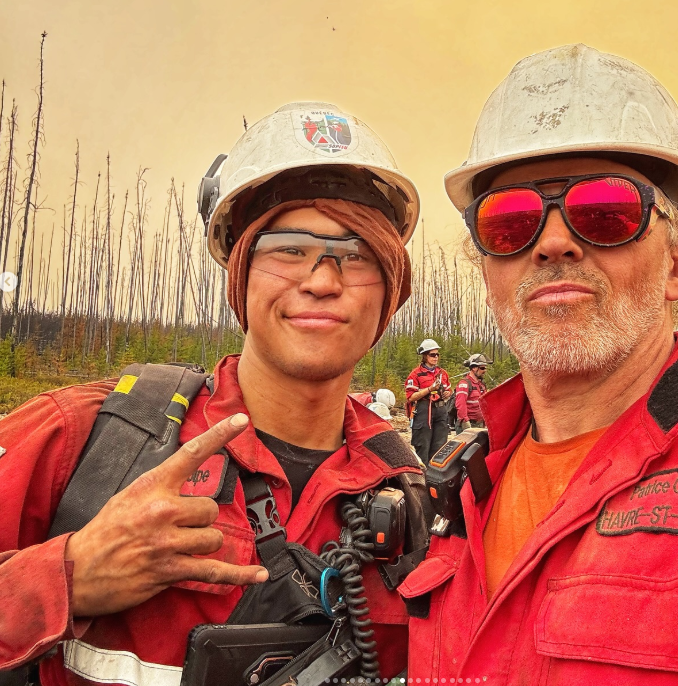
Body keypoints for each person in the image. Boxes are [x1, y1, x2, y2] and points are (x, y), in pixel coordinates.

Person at [400, 44, 678, 684]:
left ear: (676, 263)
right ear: (488, 274)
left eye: (606, 213)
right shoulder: (458, 494)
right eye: (510, 223)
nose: (555, 243)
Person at [0, 102, 429, 685]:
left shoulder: (416, 497)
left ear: (390, 290)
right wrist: (65, 575)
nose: (323, 282)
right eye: (289, 248)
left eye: (356, 256)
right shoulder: (87, 437)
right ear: (241, 274)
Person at [405, 339, 451, 465]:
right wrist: (430, 389)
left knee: (440, 447)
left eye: (437, 354)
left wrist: (447, 393)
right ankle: (422, 477)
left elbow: (448, 390)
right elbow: (410, 397)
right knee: (423, 446)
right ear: (424, 356)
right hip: (424, 411)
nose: (436, 357)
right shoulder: (415, 374)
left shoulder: (442, 373)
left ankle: (436, 477)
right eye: (432, 355)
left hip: (441, 411)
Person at [454, 353, 491, 431]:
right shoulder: (464, 384)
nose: (485, 370)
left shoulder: (481, 385)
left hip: (480, 424)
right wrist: (465, 422)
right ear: (474, 368)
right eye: (482, 368)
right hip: (469, 424)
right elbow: (460, 404)